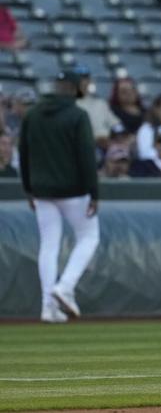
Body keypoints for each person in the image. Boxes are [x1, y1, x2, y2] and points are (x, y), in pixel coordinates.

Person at [19, 69, 100, 323]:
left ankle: (47, 307)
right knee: (89, 237)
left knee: (49, 245)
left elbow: (24, 153)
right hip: (73, 190)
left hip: (42, 191)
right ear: (75, 87)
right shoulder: (77, 115)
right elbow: (87, 157)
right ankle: (65, 287)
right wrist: (94, 192)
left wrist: (28, 188)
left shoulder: (32, 114)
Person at [75, 66, 121, 146]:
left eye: (86, 79)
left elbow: (116, 125)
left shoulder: (100, 103)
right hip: (85, 144)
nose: (83, 82)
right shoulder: (71, 104)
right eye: (80, 79)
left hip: (107, 143)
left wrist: (123, 134)